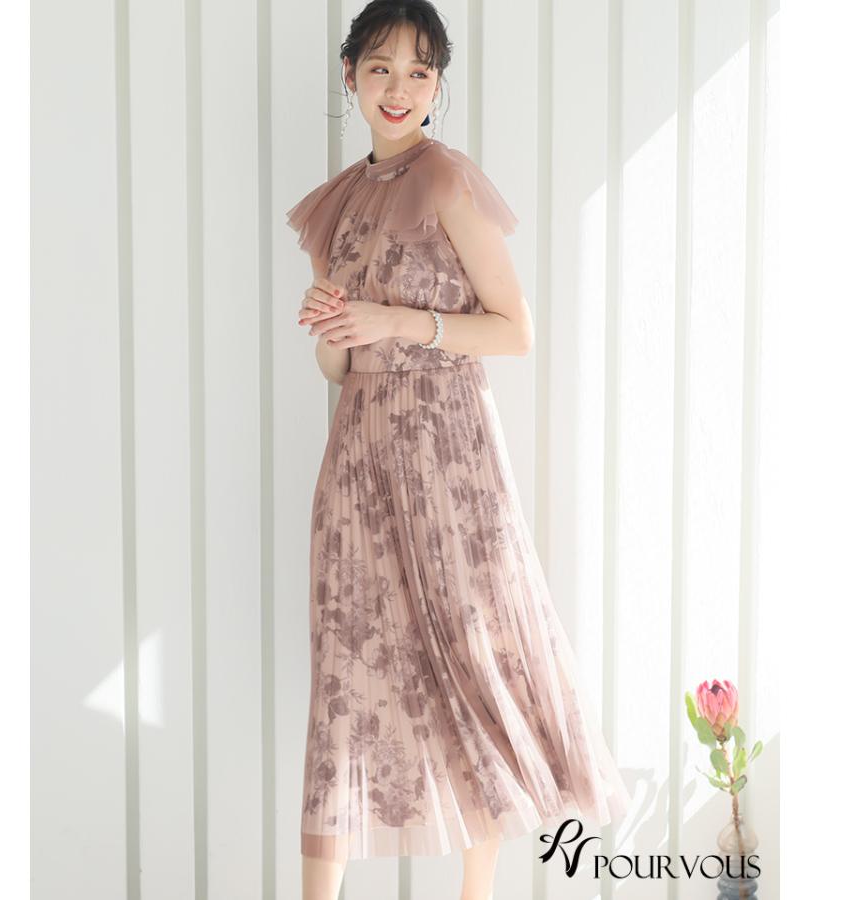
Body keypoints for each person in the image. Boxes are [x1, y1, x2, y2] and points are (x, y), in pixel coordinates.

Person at [286, 3, 632, 898]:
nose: (398, 87)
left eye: (419, 70)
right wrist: (332, 326)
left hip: (447, 459)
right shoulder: (336, 204)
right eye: (380, 67)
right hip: (358, 463)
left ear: (437, 84)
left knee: (472, 659)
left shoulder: (446, 181)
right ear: (350, 77)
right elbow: (337, 368)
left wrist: (395, 320)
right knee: (347, 670)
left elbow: (515, 330)